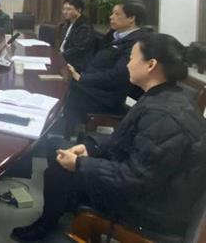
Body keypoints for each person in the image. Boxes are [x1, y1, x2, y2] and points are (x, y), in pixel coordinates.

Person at [11, 33, 206, 241]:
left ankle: (45, 227)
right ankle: (66, 202)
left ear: (151, 65)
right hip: (151, 185)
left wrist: (80, 164)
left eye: (132, 58)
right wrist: (90, 148)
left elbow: (134, 178)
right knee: (56, 147)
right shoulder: (168, 94)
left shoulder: (163, 117)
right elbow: (129, 139)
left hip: (151, 208)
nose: (128, 64)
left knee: (58, 172)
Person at [63, 0, 149, 132]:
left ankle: (68, 134)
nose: (111, 17)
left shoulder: (136, 42)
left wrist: (82, 78)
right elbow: (97, 59)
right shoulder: (114, 35)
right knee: (64, 83)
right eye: (112, 13)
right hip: (95, 84)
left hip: (108, 95)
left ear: (131, 18)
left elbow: (118, 75)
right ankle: (62, 128)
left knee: (68, 92)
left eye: (116, 14)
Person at [59, 0, 95, 72]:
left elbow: (78, 50)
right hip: (65, 58)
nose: (65, 12)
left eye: (69, 9)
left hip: (76, 64)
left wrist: (59, 56)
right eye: (64, 9)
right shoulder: (68, 23)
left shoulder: (85, 27)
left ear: (79, 10)